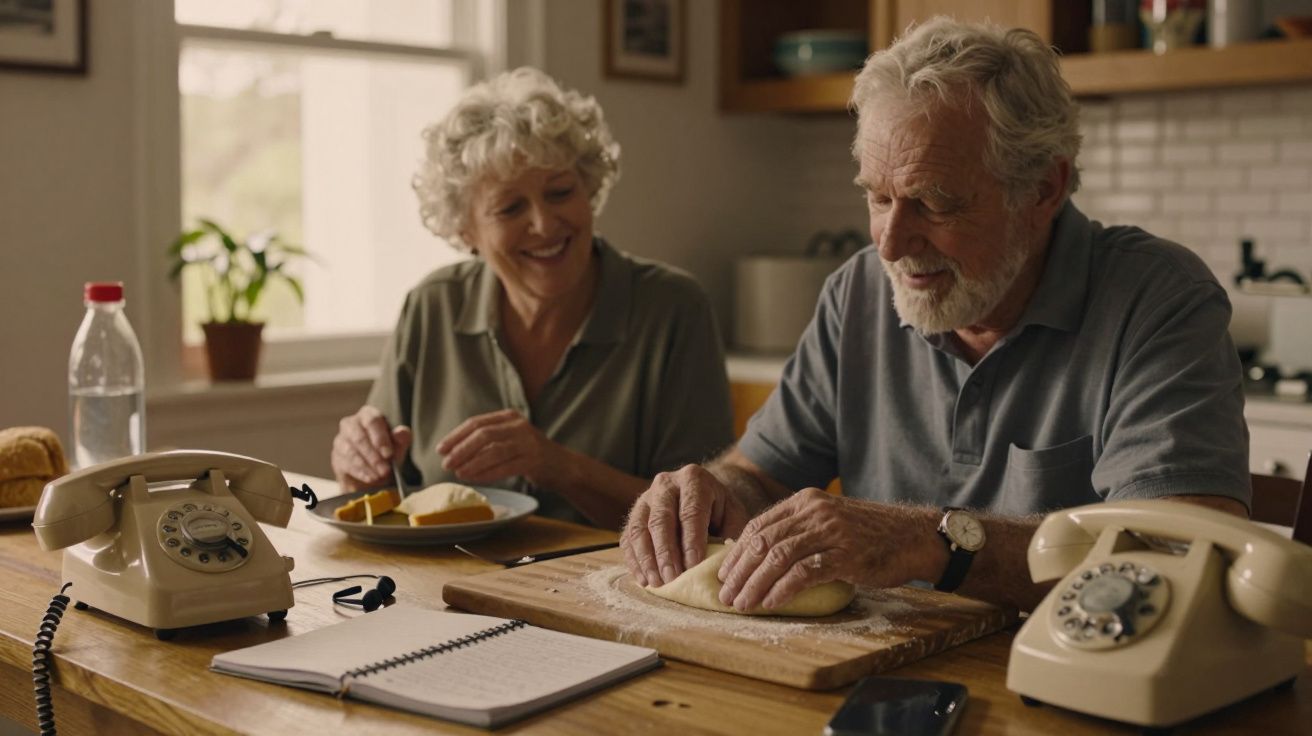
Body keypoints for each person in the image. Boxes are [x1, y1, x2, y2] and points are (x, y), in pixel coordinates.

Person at [621, 17, 1250, 612]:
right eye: (879, 197)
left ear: (1043, 189)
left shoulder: (1158, 300)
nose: (891, 244)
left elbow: (1182, 552)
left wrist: (933, 540)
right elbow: (761, 476)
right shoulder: (857, 293)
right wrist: (712, 494)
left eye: (934, 203)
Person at [332, 68, 734, 530]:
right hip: (447, 587)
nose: (544, 224)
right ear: (466, 231)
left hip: (610, 592)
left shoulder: (672, 310)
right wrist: (357, 466)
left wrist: (561, 467)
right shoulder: (432, 306)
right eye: (510, 208)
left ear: (590, 189)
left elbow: (705, 516)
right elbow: (386, 496)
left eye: (560, 192)